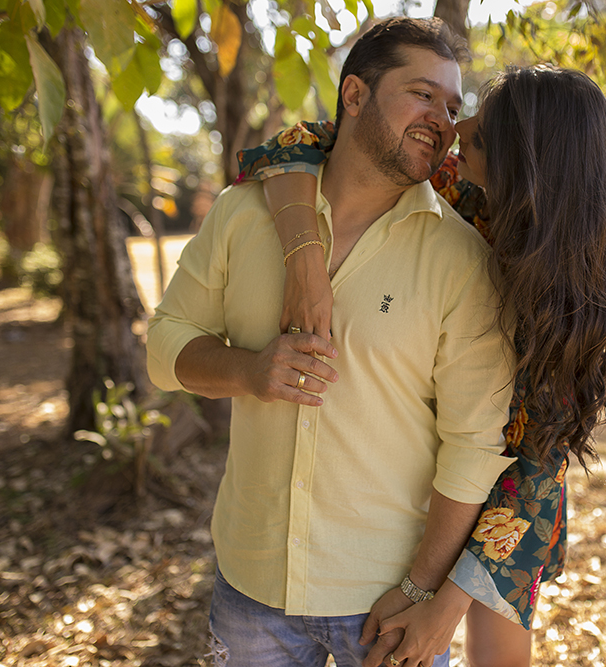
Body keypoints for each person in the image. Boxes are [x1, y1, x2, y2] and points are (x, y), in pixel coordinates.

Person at [146, 17, 519, 667]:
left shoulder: (463, 256)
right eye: (423, 94)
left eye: (453, 106)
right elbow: (164, 343)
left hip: (384, 601)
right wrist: (248, 370)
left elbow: (474, 444)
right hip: (250, 585)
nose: (444, 118)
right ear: (354, 96)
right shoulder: (244, 213)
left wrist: (421, 588)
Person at [236, 64, 606, 667]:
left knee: (494, 639)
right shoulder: (457, 193)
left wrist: (438, 609)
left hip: (512, 506)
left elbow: (533, 473)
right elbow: (283, 148)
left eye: (479, 128)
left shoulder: (574, 307)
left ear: (522, 162)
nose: (458, 125)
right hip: (434, 481)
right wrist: (305, 259)